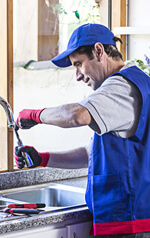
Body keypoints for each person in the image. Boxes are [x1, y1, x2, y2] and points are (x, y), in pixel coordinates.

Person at [14, 23, 150, 237]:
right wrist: (42, 158)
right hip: (126, 222)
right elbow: (92, 155)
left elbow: (76, 115)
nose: (77, 75)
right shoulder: (124, 88)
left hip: (130, 224)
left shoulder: (122, 87)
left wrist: (35, 115)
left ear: (99, 51)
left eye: (79, 64)